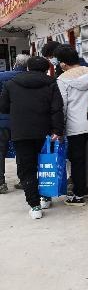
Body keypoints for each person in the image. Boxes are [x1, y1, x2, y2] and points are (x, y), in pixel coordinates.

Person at [0, 57, 64, 219]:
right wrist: (58, 130)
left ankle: (34, 206)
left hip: (21, 132)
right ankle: (45, 198)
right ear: (46, 69)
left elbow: (3, 107)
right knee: (46, 165)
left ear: (28, 68)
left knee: (26, 168)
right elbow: (57, 109)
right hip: (45, 133)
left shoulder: (11, 84)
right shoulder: (51, 83)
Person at [55, 44, 88, 207]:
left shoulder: (62, 79)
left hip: (75, 126)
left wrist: (60, 128)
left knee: (77, 161)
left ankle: (80, 193)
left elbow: (63, 105)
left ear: (63, 63)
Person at [0, 54, 29, 194]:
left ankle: (1, 183)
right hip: (23, 121)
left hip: (3, 121)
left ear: (15, 63)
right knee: (22, 151)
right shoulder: (30, 78)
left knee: (0, 151)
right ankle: (24, 180)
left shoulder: (2, 76)